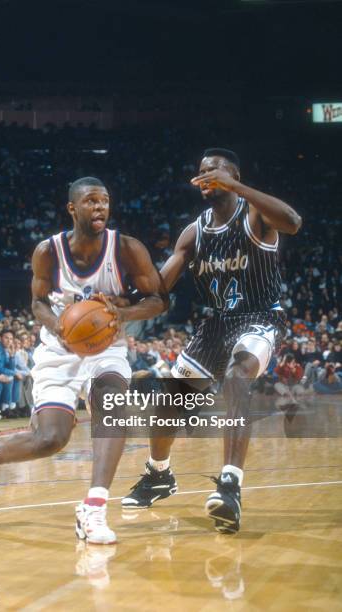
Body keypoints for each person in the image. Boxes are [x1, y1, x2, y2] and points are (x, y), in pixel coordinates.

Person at [0, 177, 167, 545]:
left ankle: (93, 510)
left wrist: (121, 313)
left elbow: (159, 300)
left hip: (106, 346)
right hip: (59, 349)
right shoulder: (47, 251)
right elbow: (37, 303)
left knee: (113, 408)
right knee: (50, 439)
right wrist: (60, 327)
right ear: (72, 208)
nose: (100, 208)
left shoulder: (127, 248)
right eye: (91, 201)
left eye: (105, 201)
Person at [121, 148, 302, 534]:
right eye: (200, 170)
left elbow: (293, 222)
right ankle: (159, 475)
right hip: (215, 326)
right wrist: (122, 303)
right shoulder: (194, 231)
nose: (204, 174)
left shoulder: (255, 215)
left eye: (213, 169)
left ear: (232, 175)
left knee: (238, 378)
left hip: (259, 318)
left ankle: (231, 485)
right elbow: (159, 288)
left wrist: (238, 186)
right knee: (168, 403)